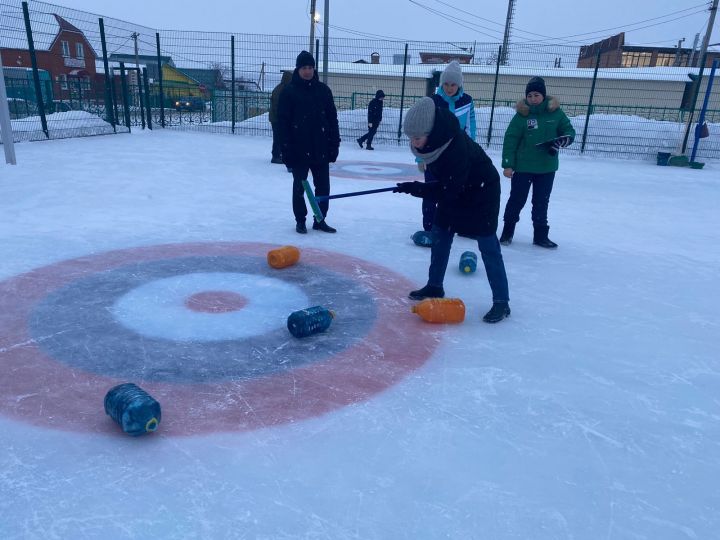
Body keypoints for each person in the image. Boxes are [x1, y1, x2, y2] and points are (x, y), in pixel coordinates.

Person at [394, 97, 511, 323]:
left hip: (481, 193)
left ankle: (501, 302)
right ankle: (435, 286)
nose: (415, 143)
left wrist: (418, 189)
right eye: (411, 138)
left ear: (431, 131)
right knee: (440, 235)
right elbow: (447, 186)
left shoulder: (455, 147)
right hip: (456, 188)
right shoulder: (432, 142)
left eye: (417, 138)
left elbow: (449, 188)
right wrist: (417, 187)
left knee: (488, 247)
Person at [499, 76, 575, 249]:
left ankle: (540, 236)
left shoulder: (556, 113)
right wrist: (508, 164)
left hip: (546, 168)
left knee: (541, 202)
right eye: (530, 95)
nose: (533, 99)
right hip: (523, 167)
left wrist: (564, 140)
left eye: (536, 95)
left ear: (543, 96)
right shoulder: (522, 115)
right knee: (517, 200)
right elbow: (510, 139)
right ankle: (507, 232)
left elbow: (569, 131)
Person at [278, 50, 341, 234]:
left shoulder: (323, 91)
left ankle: (320, 219)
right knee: (300, 187)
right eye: (304, 67)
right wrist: (286, 151)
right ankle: (300, 220)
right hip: (299, 150)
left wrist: (334, 144)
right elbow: (283, 124)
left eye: (310, 67)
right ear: (298, 69)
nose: (308, 71)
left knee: (323, 187)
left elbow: (332, 120)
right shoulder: (289, 92)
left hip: (320, 148)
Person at [416, 61, 478, 244]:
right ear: (441, 84)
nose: (450, 88)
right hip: (434, 156)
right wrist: (420, 156)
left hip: (458, 156)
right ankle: (429, 227)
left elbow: (471, 125)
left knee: (457, 191)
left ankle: (457, 225)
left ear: (459, 84)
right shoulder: (434, 101)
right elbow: (423, 129)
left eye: (453, 84)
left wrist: (471, 151)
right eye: (446, 84)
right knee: (431, 191)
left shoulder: (467, 101)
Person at [269, 71, 292, 166]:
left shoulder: (281, 88)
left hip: (277, 117)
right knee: (278, 137)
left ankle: (278, 154)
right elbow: (277, 106)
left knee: (279, 136)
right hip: (277, 118)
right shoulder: (281, 90)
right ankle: (276, 156)